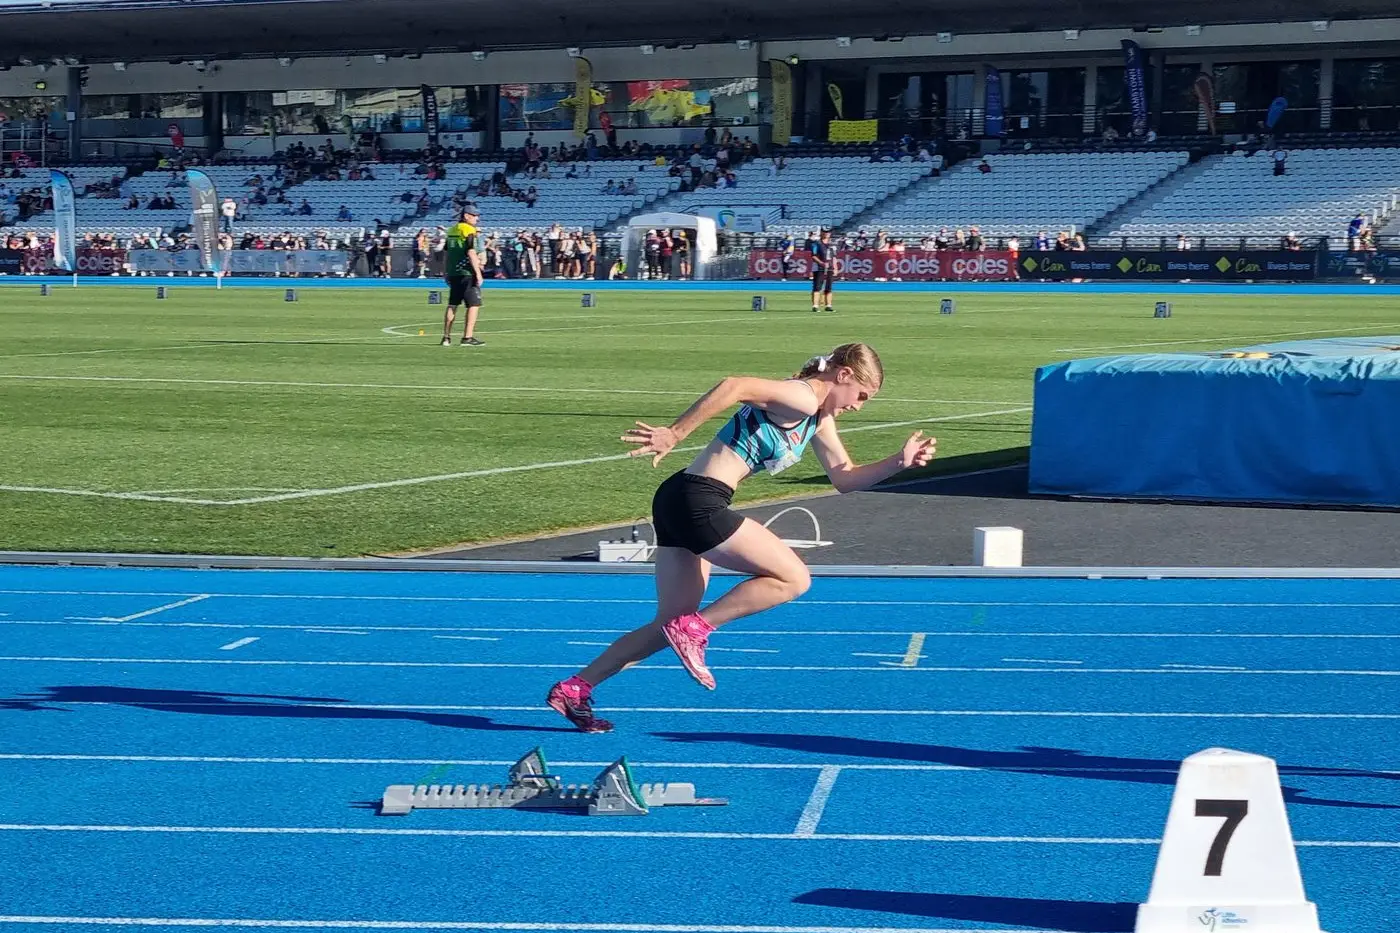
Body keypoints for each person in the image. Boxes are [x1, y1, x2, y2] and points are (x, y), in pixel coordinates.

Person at [546, 343, 936, 732]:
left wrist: (898, 463)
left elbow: (844, 478)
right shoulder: (801, 396)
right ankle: (696, 630)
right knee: (794, 579)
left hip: (680, 497)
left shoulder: (816, 418)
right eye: (862, 396)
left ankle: (575, 688)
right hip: (699, 501)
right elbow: (734, 385)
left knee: (669, 622)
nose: (859, 406)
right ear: (843, 376)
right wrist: (676, 433)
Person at [440, 204, 485, 347]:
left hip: (453, 272)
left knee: (452, 304)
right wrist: (478, 273)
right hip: (467, 271)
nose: (477, 218)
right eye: (475, 216)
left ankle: (446, 337)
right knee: (473, 304)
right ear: (466, 216)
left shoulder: (452, 230)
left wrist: (445, 271)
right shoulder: (469, 230)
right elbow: (471, 252)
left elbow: (446, 253)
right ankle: (467, 337)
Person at [810, 228, 837, 312]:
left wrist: (835, 267)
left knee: (829, 287)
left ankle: (828, 305)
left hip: (830, 267)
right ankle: (815, 306)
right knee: (817, 286)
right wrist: (821, 263)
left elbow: (834, 257)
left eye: (828, 232)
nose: (827, 234)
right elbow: (813, 256)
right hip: (819, 268)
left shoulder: (832, 244)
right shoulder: (816, 244)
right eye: (825, 232)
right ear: (821, 233)